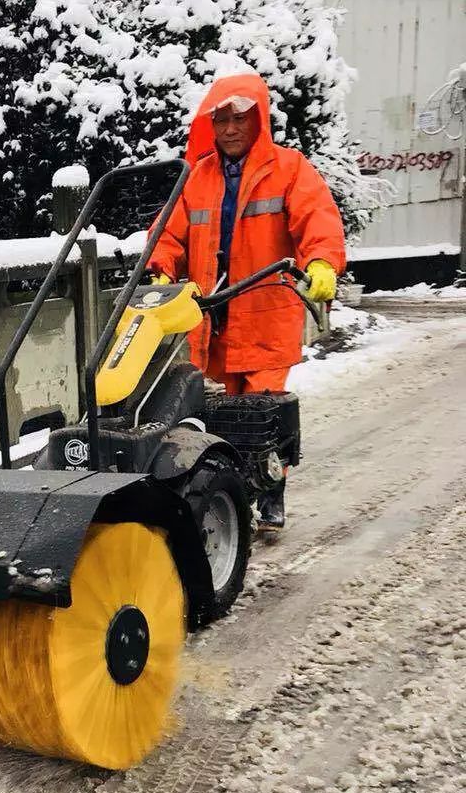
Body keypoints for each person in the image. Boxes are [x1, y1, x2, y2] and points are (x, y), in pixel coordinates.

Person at [148, 72, 346, 529]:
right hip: (210, 318)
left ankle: (271, 492)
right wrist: (161, 267)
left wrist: (321, 263)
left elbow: (318, 219)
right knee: (215, 415)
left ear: (258, 119)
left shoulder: (290, 169)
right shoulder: (197, 177)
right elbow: (168, 232)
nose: (230, 129)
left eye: (239, 118)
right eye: (221, 120)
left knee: (261, 414)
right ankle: (229, 497)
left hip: (264, 314)